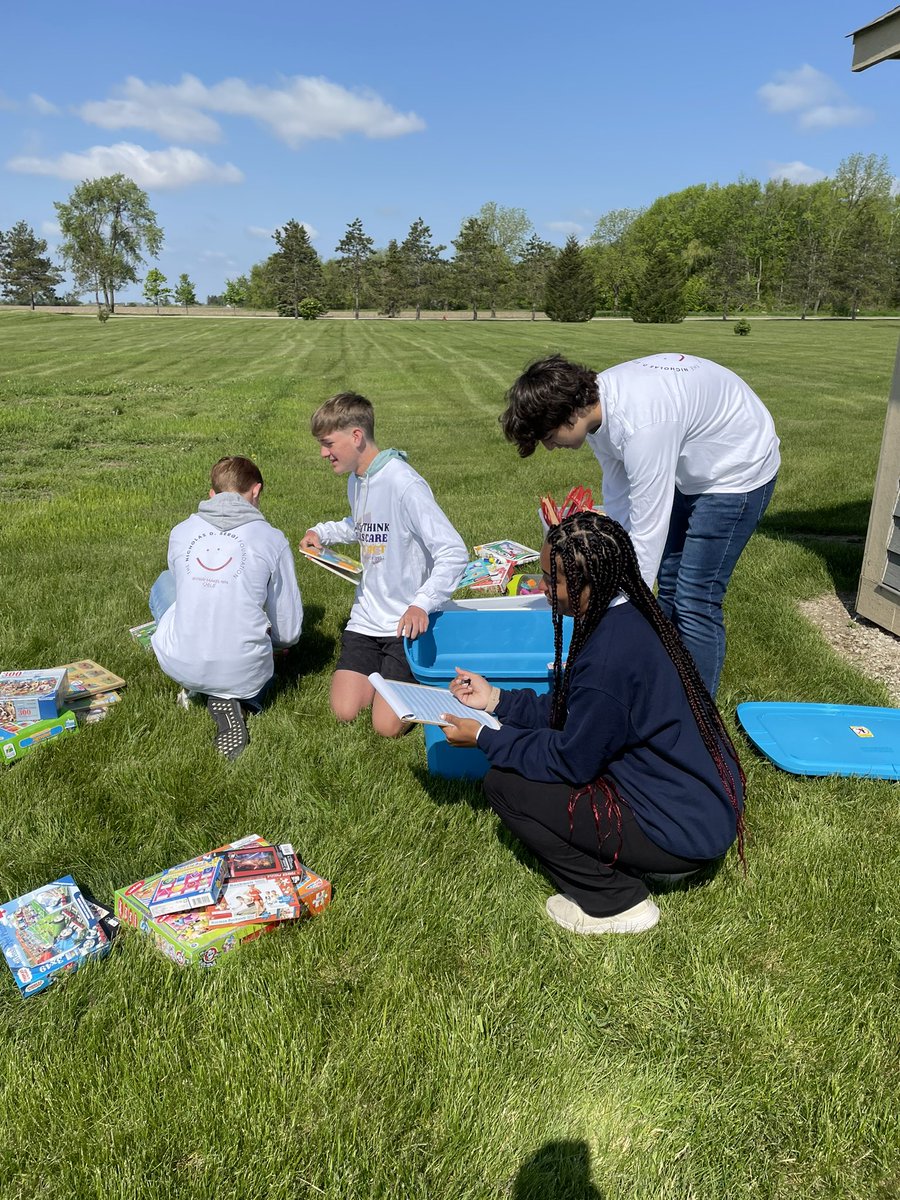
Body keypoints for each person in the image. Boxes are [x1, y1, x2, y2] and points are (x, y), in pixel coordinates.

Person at [441, 511, 745, 936]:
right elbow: (578, 711)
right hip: (700, 809)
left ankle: (616, 901)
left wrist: (485, 737)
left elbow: (571, 761)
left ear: (587, 583)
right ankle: (657, 864)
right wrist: (496, 700)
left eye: (552, 580)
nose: (542, 587)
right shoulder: (634, 613)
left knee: (504, 786)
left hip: (680, 831)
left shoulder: (607, 658)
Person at [500, 353, 780, 696]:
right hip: (690, 462)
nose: (548, 446)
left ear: (570, 412)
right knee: (669, 584)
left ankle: (697, 713)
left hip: (738, 469)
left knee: (694, 599)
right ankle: (661, 686)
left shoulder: (643, 426)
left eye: (547, 435)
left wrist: (616, 608)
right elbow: (620, 498)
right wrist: (612, 575)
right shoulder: (596, 412)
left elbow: (649, 530)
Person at [300, 392, 467, 737]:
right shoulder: (357, 479)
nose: (323, 453)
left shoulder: (404, 483)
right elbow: (362, 524)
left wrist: (421, 604)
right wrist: (322, 533)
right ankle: (385, 680)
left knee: (386, 727)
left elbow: (453, 551)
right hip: (366, 619)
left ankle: (421, 675)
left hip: (405, 625)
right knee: (345, 711)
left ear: (356, 436)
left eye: (328, 443)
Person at [149, 456, 303, 760]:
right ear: (256, 491)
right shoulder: (272, 539)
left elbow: (183, 588)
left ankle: (200, 681)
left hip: (181, 665)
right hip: (246, 673)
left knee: (165, 582)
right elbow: (289, 633)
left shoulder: (181, 531)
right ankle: (242, 696)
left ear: (212, 494)